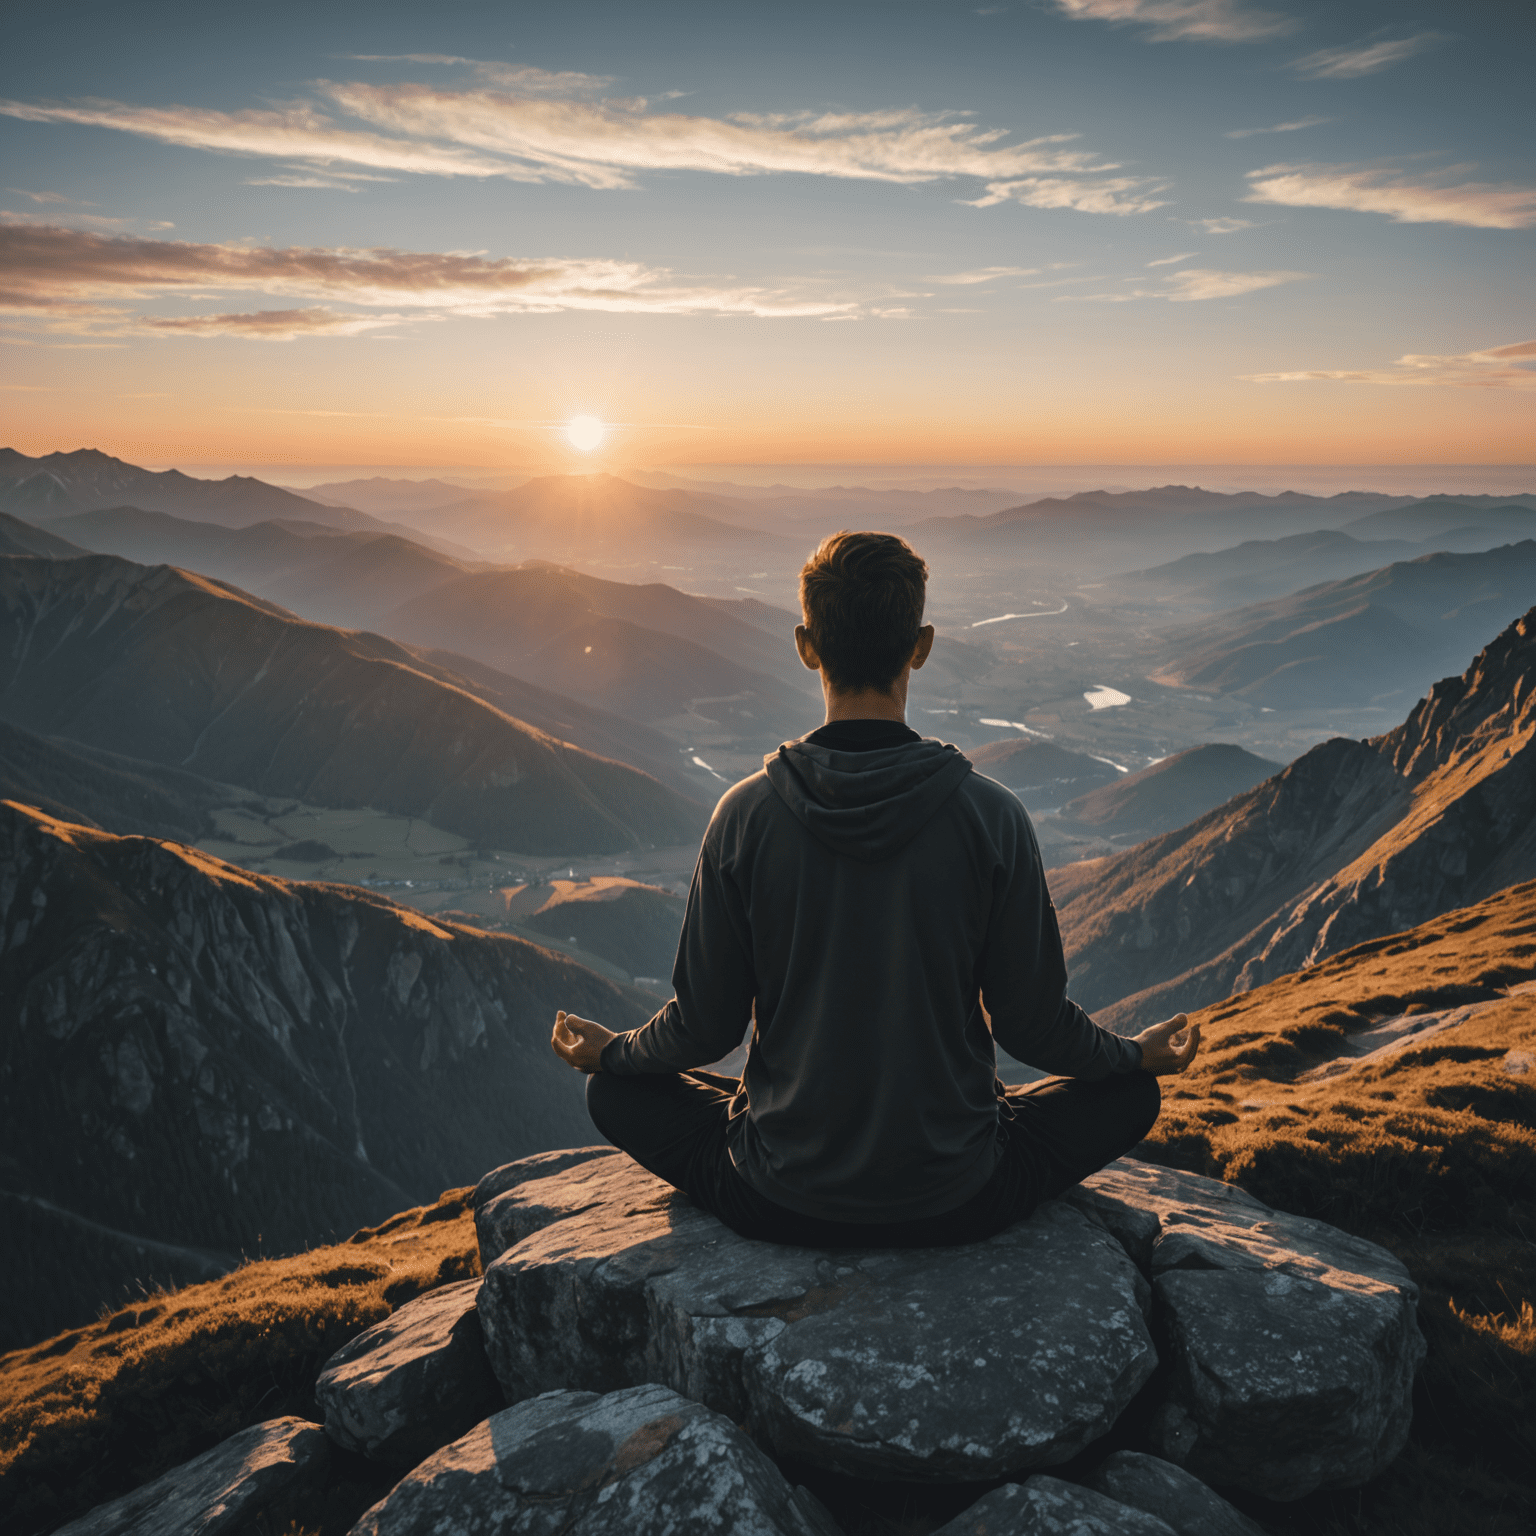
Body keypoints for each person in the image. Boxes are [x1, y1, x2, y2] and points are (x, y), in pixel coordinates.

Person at [551, 530, 1199, 1248]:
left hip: (778, 1194)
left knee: (611, 1094)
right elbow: (1032, 1027)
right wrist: (1137, 1055)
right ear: (920, 645)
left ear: (806, 644)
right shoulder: (993, 816)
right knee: (1132, 1097)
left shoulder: (744, 815)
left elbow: (706, 1029)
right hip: (958, 1195)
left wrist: (613, 1056)